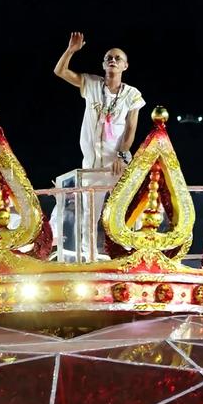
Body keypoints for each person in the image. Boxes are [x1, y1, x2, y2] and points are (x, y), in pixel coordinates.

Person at [53, 32, 146, 259]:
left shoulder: (132, 94)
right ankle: (90, 258)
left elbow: (131, 127)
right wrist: (71, 50)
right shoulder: (92, 84)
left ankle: (135, 254)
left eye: (117, 58)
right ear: (103, 64)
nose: (112, 60)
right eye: (108, 58)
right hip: (92, 164)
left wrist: (122, 155)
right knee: (88, 215)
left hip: (118, 161)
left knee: (131, 209)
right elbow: (60, 72)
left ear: (125, 65)